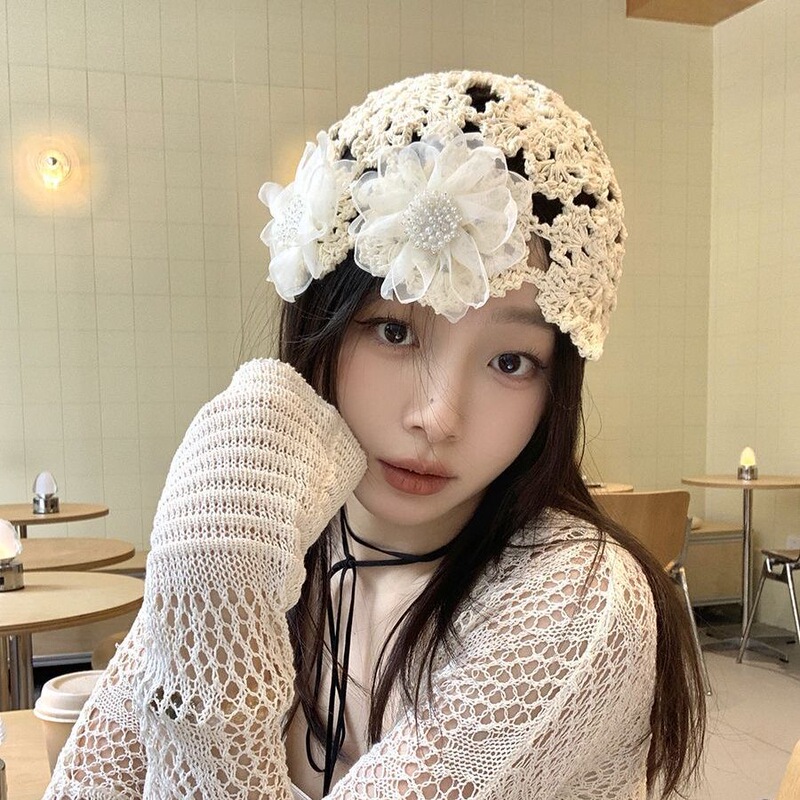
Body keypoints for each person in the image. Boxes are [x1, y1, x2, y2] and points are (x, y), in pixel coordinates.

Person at [43, 71, 705, 800]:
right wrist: (213, 565)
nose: (438, 417)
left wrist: (214, 601)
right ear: (320, 322)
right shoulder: (269, 530)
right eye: (394, 330)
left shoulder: (576, 605)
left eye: (511, 362)